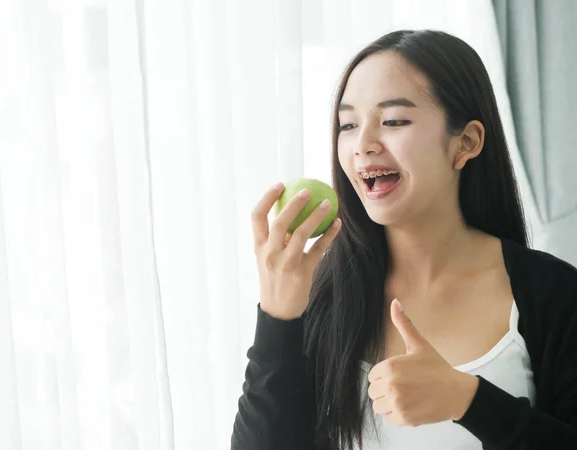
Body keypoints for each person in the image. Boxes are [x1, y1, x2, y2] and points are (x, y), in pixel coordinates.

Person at [230, 29, 577, 450]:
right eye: (348, 124)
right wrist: (278, 317)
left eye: (394, 120)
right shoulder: (325, 298)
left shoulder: (554, 293)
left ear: (466, 142)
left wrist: (468, 400)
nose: (363, 145)